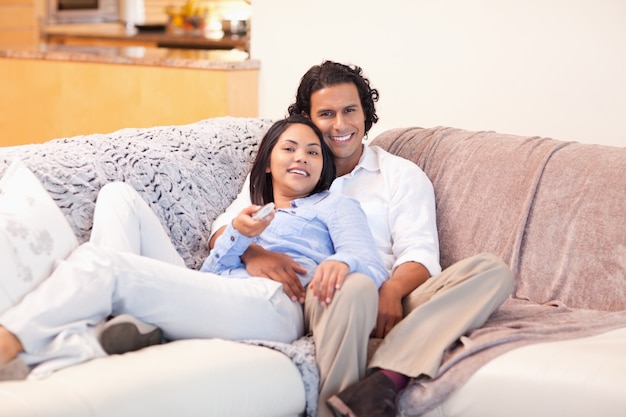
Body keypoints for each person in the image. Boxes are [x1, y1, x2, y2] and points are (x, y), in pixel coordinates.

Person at [210, 61, 515, 417]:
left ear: (365, 115)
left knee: (492, 271)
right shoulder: (292, 168)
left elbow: (419, 254)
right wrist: (254, 254)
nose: (340, 125)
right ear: (308, 118)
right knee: (351, 287)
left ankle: (383, 380)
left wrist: (392, 291)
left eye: (350, 111)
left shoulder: (399, 175)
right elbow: (226, 228)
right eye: (326, 113)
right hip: (323, 294)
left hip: (391, 301)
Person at [0, 115, 387, 383]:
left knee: (104, 266)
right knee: (118, 195)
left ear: (323, 169)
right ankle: (105, 328)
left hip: (275, 305)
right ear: (268, 163)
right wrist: (240, 236)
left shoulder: (336, 204)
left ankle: (11, 339)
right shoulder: (250, 211)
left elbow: (368, 261)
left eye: (313, 152)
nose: (301, 156)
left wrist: (339, 262)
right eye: (289, 148)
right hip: (219, 289)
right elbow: (213, 272)